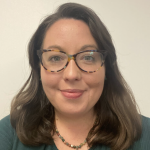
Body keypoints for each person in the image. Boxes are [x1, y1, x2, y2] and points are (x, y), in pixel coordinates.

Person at [0, 2, 150, 150]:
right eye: (55, 58)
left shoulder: (145, 135)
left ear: (107, 69)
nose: (71, 74)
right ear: (38, 68)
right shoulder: (8, 134)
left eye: (88, 57)